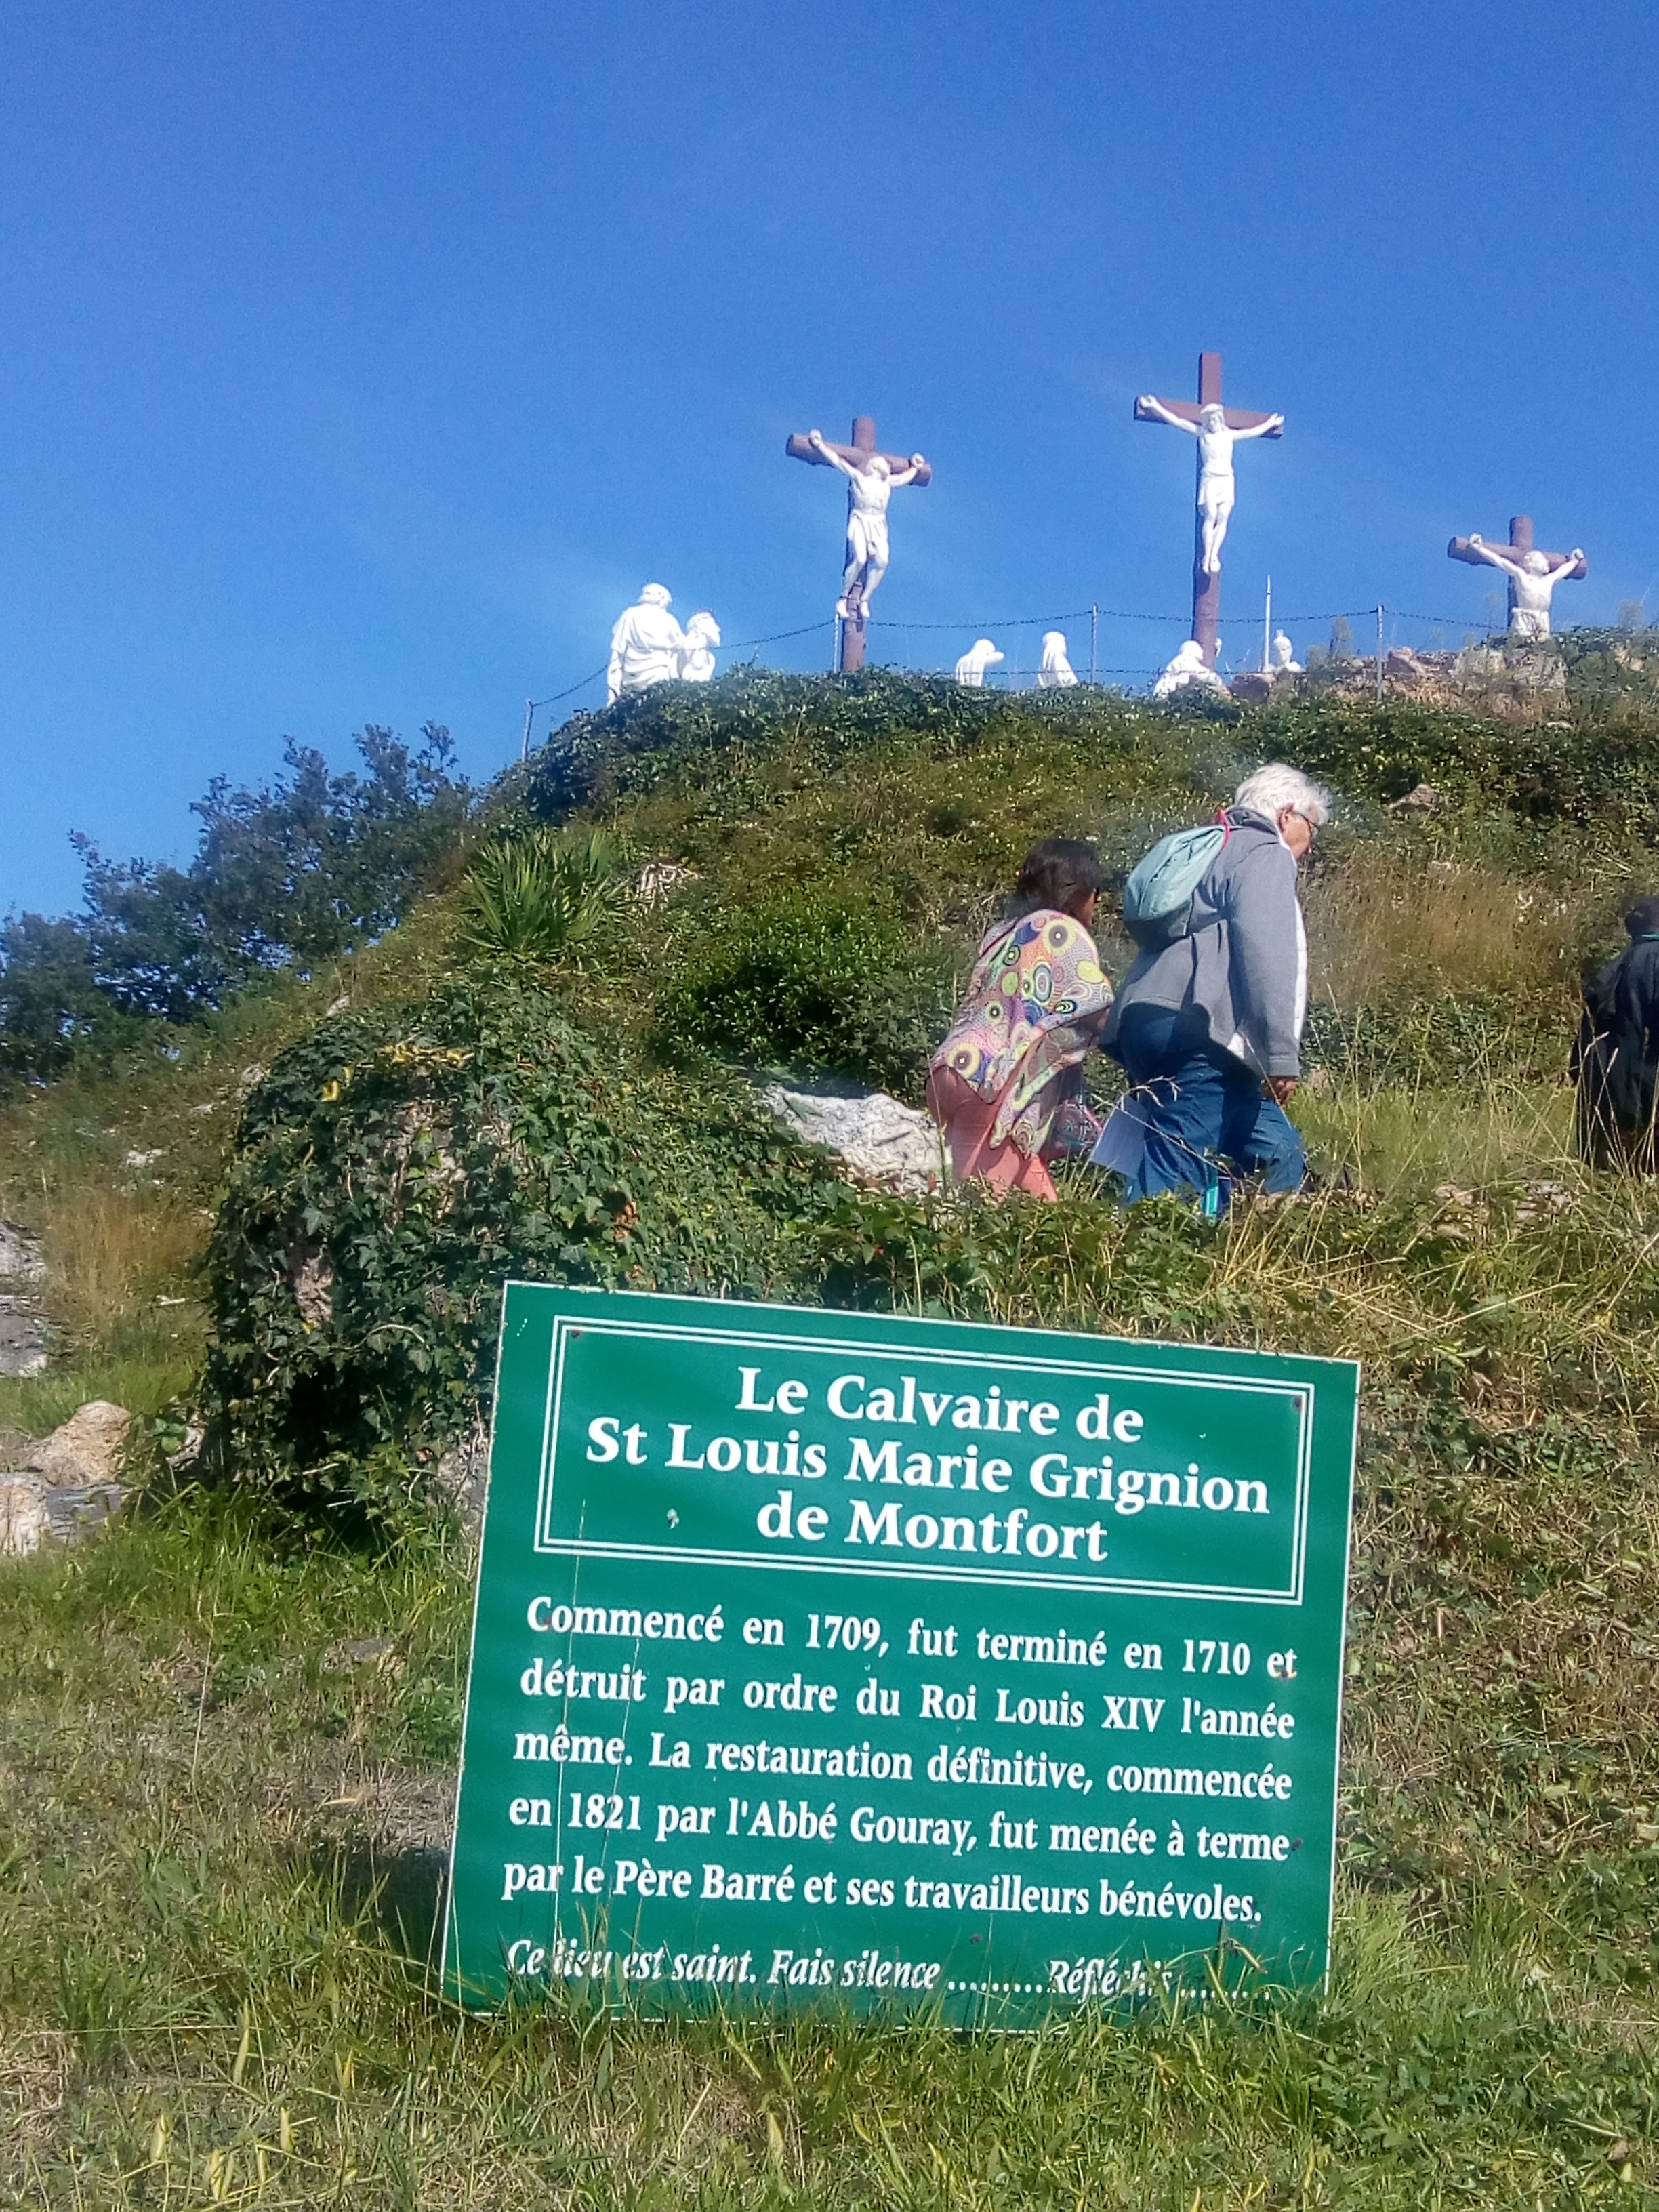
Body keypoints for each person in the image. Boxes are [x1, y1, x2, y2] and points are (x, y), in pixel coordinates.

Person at [1092, 764, 1330, 1215]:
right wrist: (1280, 1055)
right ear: (1286, 815)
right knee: (1175, 1173)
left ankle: (1252, 1241)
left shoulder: (1210, 847)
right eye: (1311, 826)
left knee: (1277, 1149)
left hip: (1145, 1020)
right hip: (1199, 1029)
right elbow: (1266, 954)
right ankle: (1135, 1251)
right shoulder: (1266, 852)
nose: (1311, 844)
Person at [928, 840, 1114, 1200]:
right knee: (981, 1210)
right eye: (1096, 891)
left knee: (1045, 1207)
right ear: (1078, 890)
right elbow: (1097, 1008)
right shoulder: (1063, 931)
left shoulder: (1002, 933)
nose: (1098, 901)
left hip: (953, 1067)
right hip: (994, 1084)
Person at [1132, 396, 1284, 574]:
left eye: (1214, 419)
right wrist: (1155, 407)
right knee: (1211, 515)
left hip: (1226, 479)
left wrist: (1271, 423)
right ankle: (1207, 555)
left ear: (1220, 419)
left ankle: (1214, 555)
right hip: (1210, 478)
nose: (1212, 423)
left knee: (1223, 516)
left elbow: (1252, 432)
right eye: (1209, 420)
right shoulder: (1203, 434)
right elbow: (1177, 421)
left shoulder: (1229, 435)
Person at [1573, 896, 1659, 1168]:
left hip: (1607, 1105)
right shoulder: (1655, 961)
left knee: (1617, 1179)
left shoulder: (1611, 970)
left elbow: (1580, 1056)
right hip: (1650, 1104)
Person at [806, 429, 927, 621]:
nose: (885, 470)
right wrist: (820, 445)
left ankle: (865, 599)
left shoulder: (887, 484)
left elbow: (905, 478)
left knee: (883, 562)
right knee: (860, 559)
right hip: (861, 520)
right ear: (874, 468)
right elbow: (839, 462)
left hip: (878, 524)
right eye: (881, 467)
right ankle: (844, 598)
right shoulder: (860, 478)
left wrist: (915, 468)